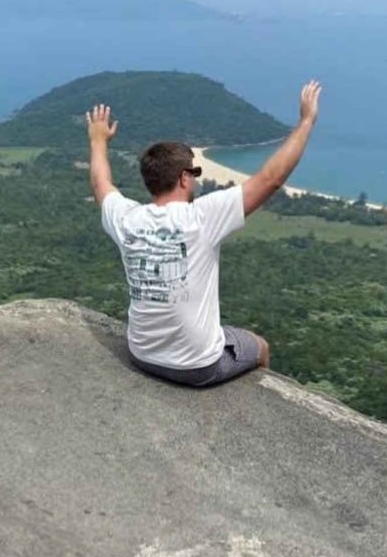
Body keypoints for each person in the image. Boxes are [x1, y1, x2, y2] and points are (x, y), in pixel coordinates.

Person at [86, 81, 322, 387]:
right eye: (195, 174)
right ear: (184, 178)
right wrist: (306, 121)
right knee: (260, 346)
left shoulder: (127, 219)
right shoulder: (201, 217)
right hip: (196, 368)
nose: (197, 181)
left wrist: (98, 140)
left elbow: (101, 183)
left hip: (141, 354)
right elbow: (271, 179)